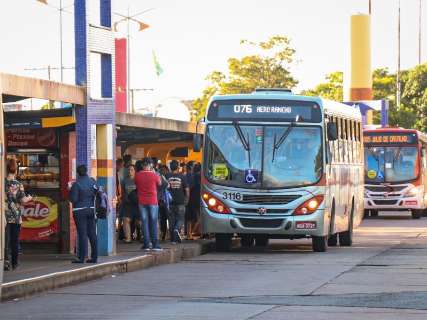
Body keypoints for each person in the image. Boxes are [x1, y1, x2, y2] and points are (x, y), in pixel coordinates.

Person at [4, 159, 32, 270]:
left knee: (5, 241)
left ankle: (5, 262)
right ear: (16, 170)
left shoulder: (3, 183)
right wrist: (30, 197)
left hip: (4, 216)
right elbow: (23, 200)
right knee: (14, 241)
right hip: (15, 217)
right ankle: (14, 263)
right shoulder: (18, 184)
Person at [69, 165, 98, 263]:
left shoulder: (76, 184)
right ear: (86, 171)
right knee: (92, 234)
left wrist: (70, 189)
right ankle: (94, 257)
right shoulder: (92, 181)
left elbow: (73, 199)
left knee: (82, 234)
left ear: (77, 173)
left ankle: (82, 258)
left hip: (80, 211)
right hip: (91, 210)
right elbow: (96, 193)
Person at [134, 157, 162, 251]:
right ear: (151, 165)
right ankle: (155, 245)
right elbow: (160, 184)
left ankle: (146, 244)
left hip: (142, 201)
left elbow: (136, 185)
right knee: (153, 222)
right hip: (153, 201)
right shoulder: (155, 175)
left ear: (142, 165)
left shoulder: (137, 175)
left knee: (144, 223)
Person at [166, 160, 189, 244]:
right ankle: (177, 230)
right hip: (180, 201)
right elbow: (187, 189)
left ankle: (173, 240)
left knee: (171, 220)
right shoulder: (182, 176)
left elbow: (164, 188)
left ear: (170, 167)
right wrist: (187, 199)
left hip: (170, 202)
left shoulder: (167, 176)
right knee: (180, 219)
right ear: (178, 167)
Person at [121, 165, 140, 243]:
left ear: (135, 171)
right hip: (128, 204)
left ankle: (143, 236)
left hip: (137, 203)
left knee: (139, 222)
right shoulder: (124, 181)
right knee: (126, 219)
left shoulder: (138, 180)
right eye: (129, 170)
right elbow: (123, 191)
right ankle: (128, 238)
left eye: (132, 170)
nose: (130, 171)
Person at [187, 163, 202, 239]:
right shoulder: (200, 176)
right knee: (199, 217)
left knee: (191, 217)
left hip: (192, 198)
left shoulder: (193, 176)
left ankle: (191, 233)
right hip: (198, 198)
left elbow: (190, 187)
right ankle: (193, 232)